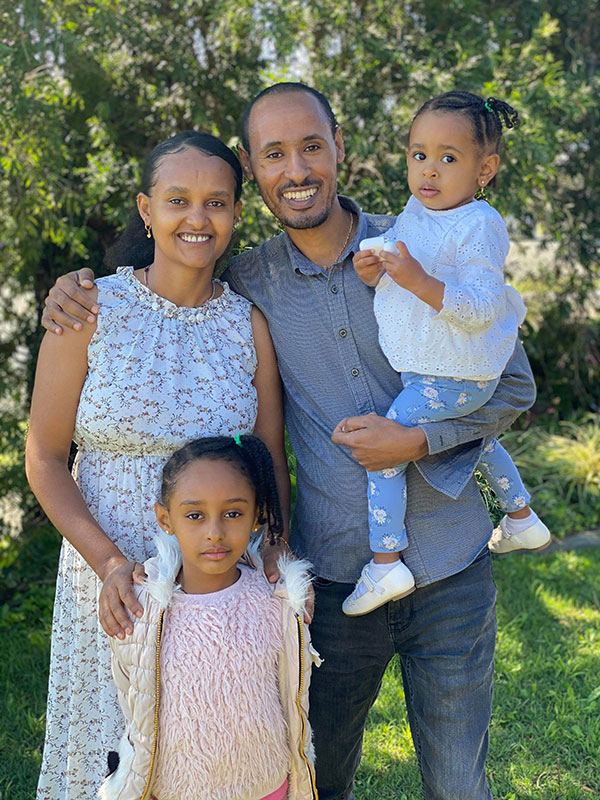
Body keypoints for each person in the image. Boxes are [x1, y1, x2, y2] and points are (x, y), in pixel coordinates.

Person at [41, 83, 538, 800]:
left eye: (312, 146)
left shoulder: (421, 247)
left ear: (340, 148)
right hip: (331, 579)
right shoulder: (248, 284)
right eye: (275, 154)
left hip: (451, 566)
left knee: (460, 786)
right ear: (254, 169)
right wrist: (74, 289)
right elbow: (172, 276)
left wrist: (420, 439)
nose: (297, 169)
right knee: (310, 779)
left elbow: (514, 386)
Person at [26, 131, 290, 800]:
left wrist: (278, 557)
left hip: (216, 583)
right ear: (147, 210)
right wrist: (110, 562)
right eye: (178, 200)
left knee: (209, 755)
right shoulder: (89, 309)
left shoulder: (247, 324)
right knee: (109, 760)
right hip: (106, 575)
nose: (197, 219)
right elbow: (46, 458)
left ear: (235, 214)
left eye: (216, 202)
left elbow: (266, 458)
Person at [342, 91, 550, 616]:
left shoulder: (479, 224)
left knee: (385, 451)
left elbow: (481, 305)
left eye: (448, 158)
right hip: (437, 371)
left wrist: (416, 280)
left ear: (486, 169)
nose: (429, 171)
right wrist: (377, 265)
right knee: (478, 440)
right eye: (419, 155)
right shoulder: (420, 210)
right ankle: (521, 517)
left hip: (455, 375)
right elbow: (406, 243)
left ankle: (386, 563)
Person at [99, 434, 319, 800]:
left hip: (265, 786)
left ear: (257, 515)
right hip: (172, 789)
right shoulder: (141, 609)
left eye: (232, 513)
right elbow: (132, 699)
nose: (214, 533)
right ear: (165, 519)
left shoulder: (278, 601)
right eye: (195, 515)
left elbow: (291, 698)